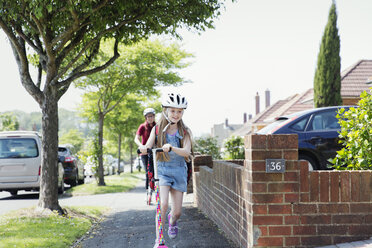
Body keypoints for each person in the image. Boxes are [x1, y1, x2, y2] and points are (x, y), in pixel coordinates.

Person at [140, 93, 192, 247]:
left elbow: (187, 152)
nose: (176, 114)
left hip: (179, 171)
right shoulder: (157, 129)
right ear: (165, 110)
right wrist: (143, 148)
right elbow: (148, 146)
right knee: (162, 204)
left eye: (179, 111)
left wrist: (172, 147)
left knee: (177, 213)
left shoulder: (185, 131)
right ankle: (159, 240)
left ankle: (172, 221)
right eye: (173, 111)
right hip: (162, 171)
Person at [134, 107, 156, 203]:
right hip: (144, 153)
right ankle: (148, 191)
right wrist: (141, 146)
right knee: (148, 172)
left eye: (151, 116)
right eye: (148, 116)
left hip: (155, 152)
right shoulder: (142, 127)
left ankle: (156, 190)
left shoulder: (157, 126)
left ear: (154, 116)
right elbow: (136, 138)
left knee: (156, 172)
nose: (150, 118)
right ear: (145, 117)